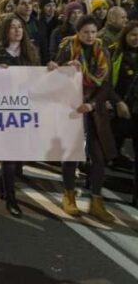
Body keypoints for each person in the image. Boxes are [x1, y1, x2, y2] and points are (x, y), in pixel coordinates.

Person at [0, 14, 55, 217]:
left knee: (20, 156)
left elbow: (38, 78)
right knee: (10, 156)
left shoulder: (30, 51)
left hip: (26, 109)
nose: (17, 30)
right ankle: (11, 198)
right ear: (5, 31)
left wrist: (50, 70)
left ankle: (2, 179)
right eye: (12, 27)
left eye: (20, 27)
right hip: (6, 110)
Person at [56, 15, 118, 223]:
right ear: (78, 32)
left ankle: (97, 201)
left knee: (98, 156)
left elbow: (106, 83)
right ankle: (69, 195)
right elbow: (56, 75)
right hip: (71, 108)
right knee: (72, 153)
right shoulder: (67, 47)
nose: (90, 36)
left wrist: (92, 104)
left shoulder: (103, 50)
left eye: (93, 32)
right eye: (85, 32)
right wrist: (65, 67)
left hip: (95, 109)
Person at [108, 20, 138, 205]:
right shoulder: (114, 53)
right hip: (116, 109)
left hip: (136, 111)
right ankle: (93, 183)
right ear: (125, 35)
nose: (136, 39)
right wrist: (115, 102)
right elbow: (107, 79)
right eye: (133, 35)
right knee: (107, 147)